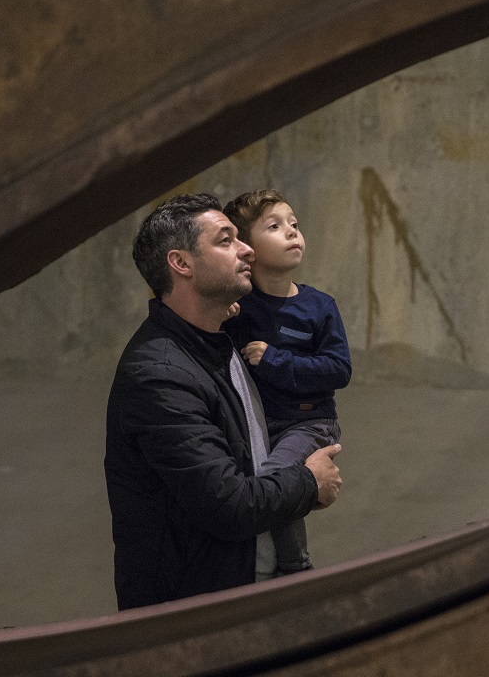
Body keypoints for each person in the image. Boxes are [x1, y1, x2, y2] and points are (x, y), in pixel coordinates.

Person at [105, 193, 342, 610]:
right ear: (181, 264)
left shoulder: (219, 338)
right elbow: (229, 505)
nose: (247, 248)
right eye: (226, 240)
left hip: (248, 587)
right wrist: (308, 482)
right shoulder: (159, 376)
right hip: (197, 612)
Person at [222, 189, 352, 575]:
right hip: (260, 426)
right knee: (259, 485)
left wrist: (276, 359)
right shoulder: (241, 308)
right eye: (275, 227)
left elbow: (338, 369)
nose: (292, 232)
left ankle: (296, 566)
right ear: (247, 248)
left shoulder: (319, 306)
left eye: (294, 224)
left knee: (275, 480)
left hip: (309, 423)